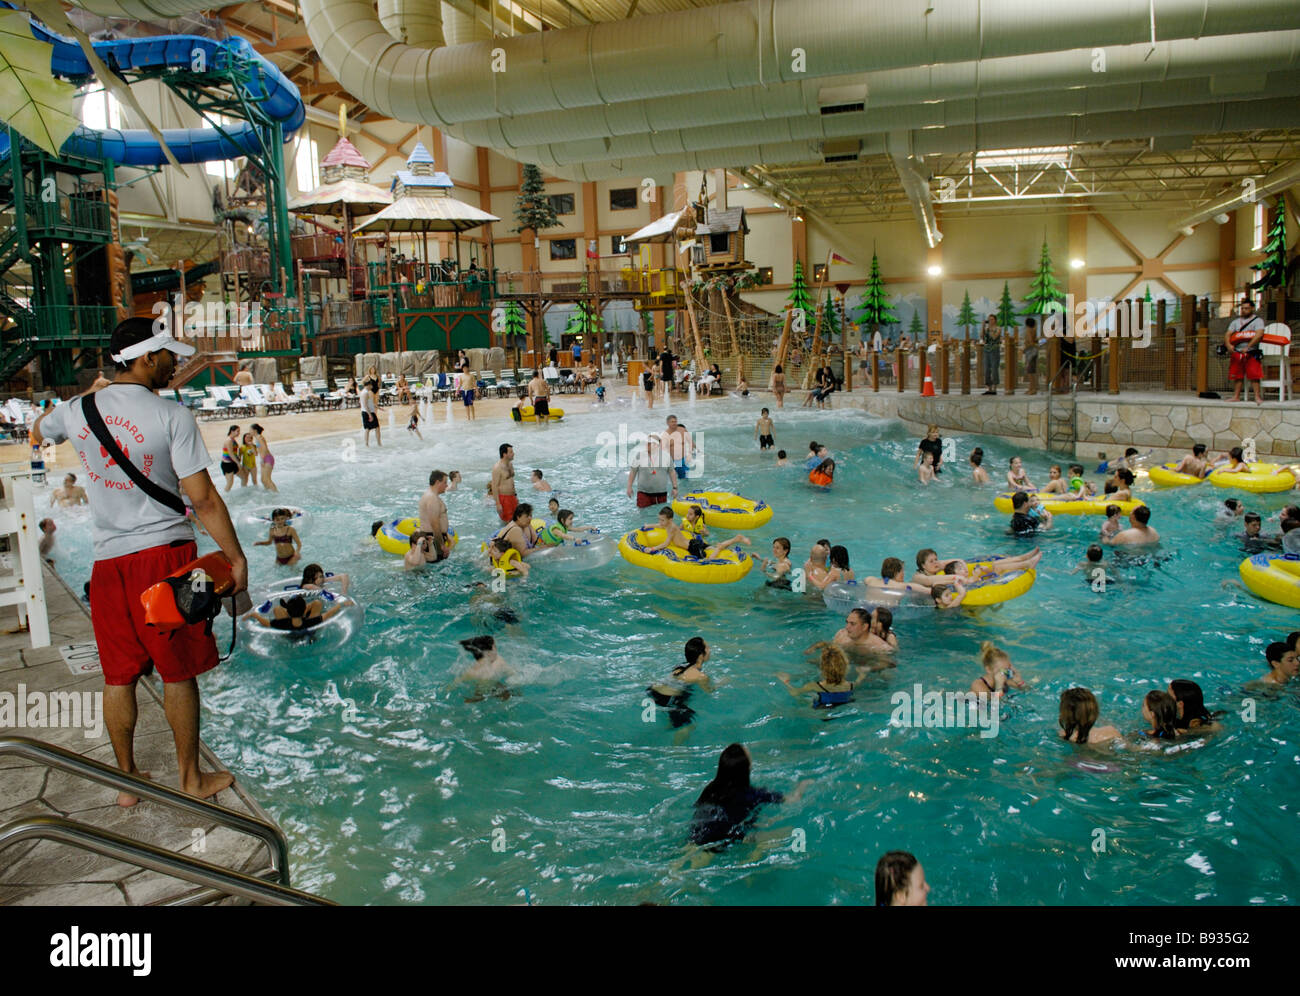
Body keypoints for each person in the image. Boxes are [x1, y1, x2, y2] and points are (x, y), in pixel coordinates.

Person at [31, 317, 247, 805]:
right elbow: (205, 499)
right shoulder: (173, 417)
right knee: (178, 671)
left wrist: (89, 394)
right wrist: (235, 558)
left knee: (118, 674)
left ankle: (127, 783)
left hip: (108, 564)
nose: (175, 362)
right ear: (148, 358)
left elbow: (35, 430)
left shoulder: (77, 410)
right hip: (165, 559)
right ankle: (190, 779)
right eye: (169, 353)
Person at [688, 743, 808, 848]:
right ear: (747, 768)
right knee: (785, 832)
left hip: (698, 831)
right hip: (724, 837)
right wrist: (803, 785)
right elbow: (793, 799)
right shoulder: (754, 795)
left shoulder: (711, 789)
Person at [647, 637, 713, 729]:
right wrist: (721, 683)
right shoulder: (701, 676)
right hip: (669, 698)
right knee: (688, 725)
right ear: (701, 655)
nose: (710, 650)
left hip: (653, 690)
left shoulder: (681, 665)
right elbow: (709, 691)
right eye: (708, 648)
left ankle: (667, 730)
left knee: (675, 722)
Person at [778, 643, 855, 709]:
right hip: (841, 710)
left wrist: (785, 681)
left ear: (823, 668)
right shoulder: (852, 685)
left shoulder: (814, 686)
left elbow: (794, 693)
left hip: (820, 714)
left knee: (803, 699)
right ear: (845, 665)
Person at [1224, 297, 1266, 404]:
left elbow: (1259, 334)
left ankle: (1257, 396)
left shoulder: (1258, 321)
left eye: (1246, 308)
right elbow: (1228, 334)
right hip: (1237, 351)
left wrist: (1248, 347)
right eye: (1242, 308)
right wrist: (1229, 345)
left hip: (1251, 352)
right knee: (1237, 375)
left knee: (1254, 374)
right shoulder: (1235, 322)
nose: (1244, 310)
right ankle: (1236, 396)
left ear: (1252, 308)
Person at [452, 635, 515, 701]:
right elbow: (512, 674)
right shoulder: (499, 661)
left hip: (485, 689)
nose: (496, 649)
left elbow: (457, 682)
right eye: (495, 647)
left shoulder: (472, 672)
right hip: (494, 687)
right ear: (490, 651)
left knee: (478, 697)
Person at [626, 438, 679, 508]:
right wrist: (629, 487)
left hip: (661, 493)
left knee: (661, 516)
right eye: (647, 443)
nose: (647, 445)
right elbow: (633, 471)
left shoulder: (666, 456)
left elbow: (672, 472)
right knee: (643, 515)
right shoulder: (640, 455)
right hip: (643, 493)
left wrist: (675, 488)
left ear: (657, 445)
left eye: (650, 443)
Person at [250, 593, 342, 633]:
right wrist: (339, 604)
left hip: (288, 631)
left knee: (277, 609)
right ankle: (297, 609)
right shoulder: (313, 622)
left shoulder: (281, 624)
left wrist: (254, 615)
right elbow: (330, 613)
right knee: (317, 603)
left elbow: (265, 623)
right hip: (309, 629)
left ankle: (293, 609)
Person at [418, 470, 453, 561]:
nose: (446, 485)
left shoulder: (430, 496)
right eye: (445, 482)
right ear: (437, 482)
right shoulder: (432, 498)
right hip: (432, 540)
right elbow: (434, 524)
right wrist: (441, 546)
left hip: (431, 538)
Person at [492, 443, 518, 523]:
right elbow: (494, 486)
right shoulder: (497, 468)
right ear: (504, 454)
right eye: (511, 452)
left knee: (517, 519)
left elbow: (511, 481)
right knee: (508, 521)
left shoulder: (510, 464)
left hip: (512, 497)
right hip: (504, 498)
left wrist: (515, 496)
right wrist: (498, 504)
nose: (513, 454)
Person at [663, 414, 694, 480]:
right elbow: (663, 450)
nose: (674, 423)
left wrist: (690, 454)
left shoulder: (682, 430)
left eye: (675, 421)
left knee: (685, 479)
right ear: (667, 423)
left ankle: (687, 489)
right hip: (673, 461)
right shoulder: (665, 435)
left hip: (683, 459)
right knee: (673, 480)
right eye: (672, 422)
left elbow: (691, 442)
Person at [249, 423, 277, 493]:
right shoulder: (256, 438)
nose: (249, 431)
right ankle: (268, 492)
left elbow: (264, 448)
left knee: (267, 479)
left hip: (267, 458)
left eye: (250, 429)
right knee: (263, 479)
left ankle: (276, 493)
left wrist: (262, 459)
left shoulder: (260, 437)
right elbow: (257, 453)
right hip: (264, 458)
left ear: (254, 430)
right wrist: (252, 446)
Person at [980, 314, 1000, 395]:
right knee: (986, 369)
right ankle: (989, 388)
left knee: (994, 369)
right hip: (986, 350)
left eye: (992, 319)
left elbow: (994, 337)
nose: (990, 321)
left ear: (995, 320)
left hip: (994, 349)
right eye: (989, 319)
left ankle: (994, 388)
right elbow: (981, 336)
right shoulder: (986, 328)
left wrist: (991, 329)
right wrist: (983, 327)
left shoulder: (998, 328)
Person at [359, 378, 381, 447]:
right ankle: (373, 443)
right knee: (370, 428)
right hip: (368, 412)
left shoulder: (365, 392)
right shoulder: (365, 393)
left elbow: (369, 403)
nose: (372, 387)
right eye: (371, 385)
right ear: (368, 385)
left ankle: (371, 443)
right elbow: (365, 405)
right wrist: (370, 415)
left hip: (368, 412)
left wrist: (377, 407)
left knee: (372, 428)